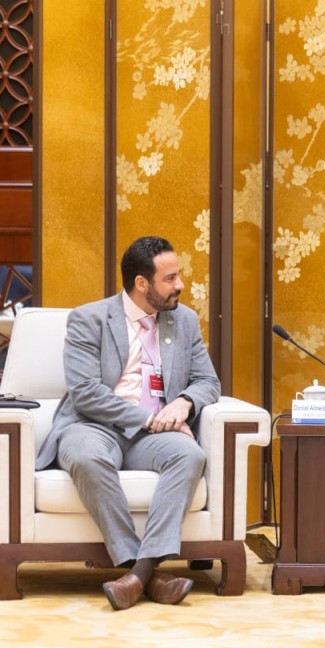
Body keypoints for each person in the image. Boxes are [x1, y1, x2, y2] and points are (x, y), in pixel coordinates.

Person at [35, 236, 221, 611]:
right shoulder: (89, 319)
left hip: (153, 435)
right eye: (170, 278)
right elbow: (86, 393)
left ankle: (137, 575)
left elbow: (208, 382)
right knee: (85, 457)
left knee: (189, 455)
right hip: (93, 425)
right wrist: (150, 419)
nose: (181, 285)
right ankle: (148, 575)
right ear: (141, 283)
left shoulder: (183, 320)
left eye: (178, 275)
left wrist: (184, 403)